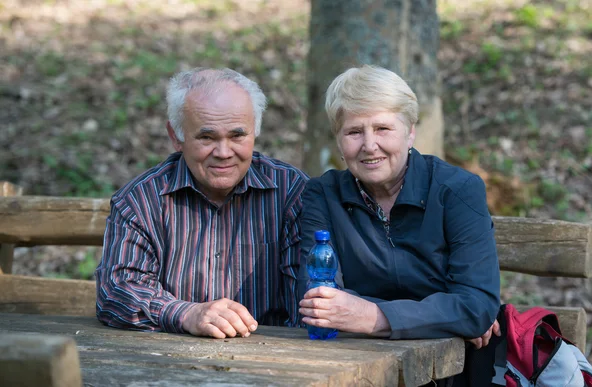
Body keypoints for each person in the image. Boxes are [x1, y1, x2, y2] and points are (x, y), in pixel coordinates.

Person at [298, 65, 500, 356]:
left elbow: (475, 306)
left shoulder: (457, 189)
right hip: (354, 361)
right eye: (354, 132)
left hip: (453, 364)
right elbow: (317, 300)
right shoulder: (323, 194)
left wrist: (371, 316)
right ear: (339, 142)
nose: (369, 145)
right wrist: (445, 317)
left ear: (410, 133)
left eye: (383, 128)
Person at [96, 68, 308, 339]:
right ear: (177, 137)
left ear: (255, 130)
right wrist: (186, 314)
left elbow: (305, 302)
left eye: (237, 135)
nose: (223, 152)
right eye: (207, 137)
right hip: (170, 359)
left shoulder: (291, 192)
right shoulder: (141, 200)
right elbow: (117, 290)